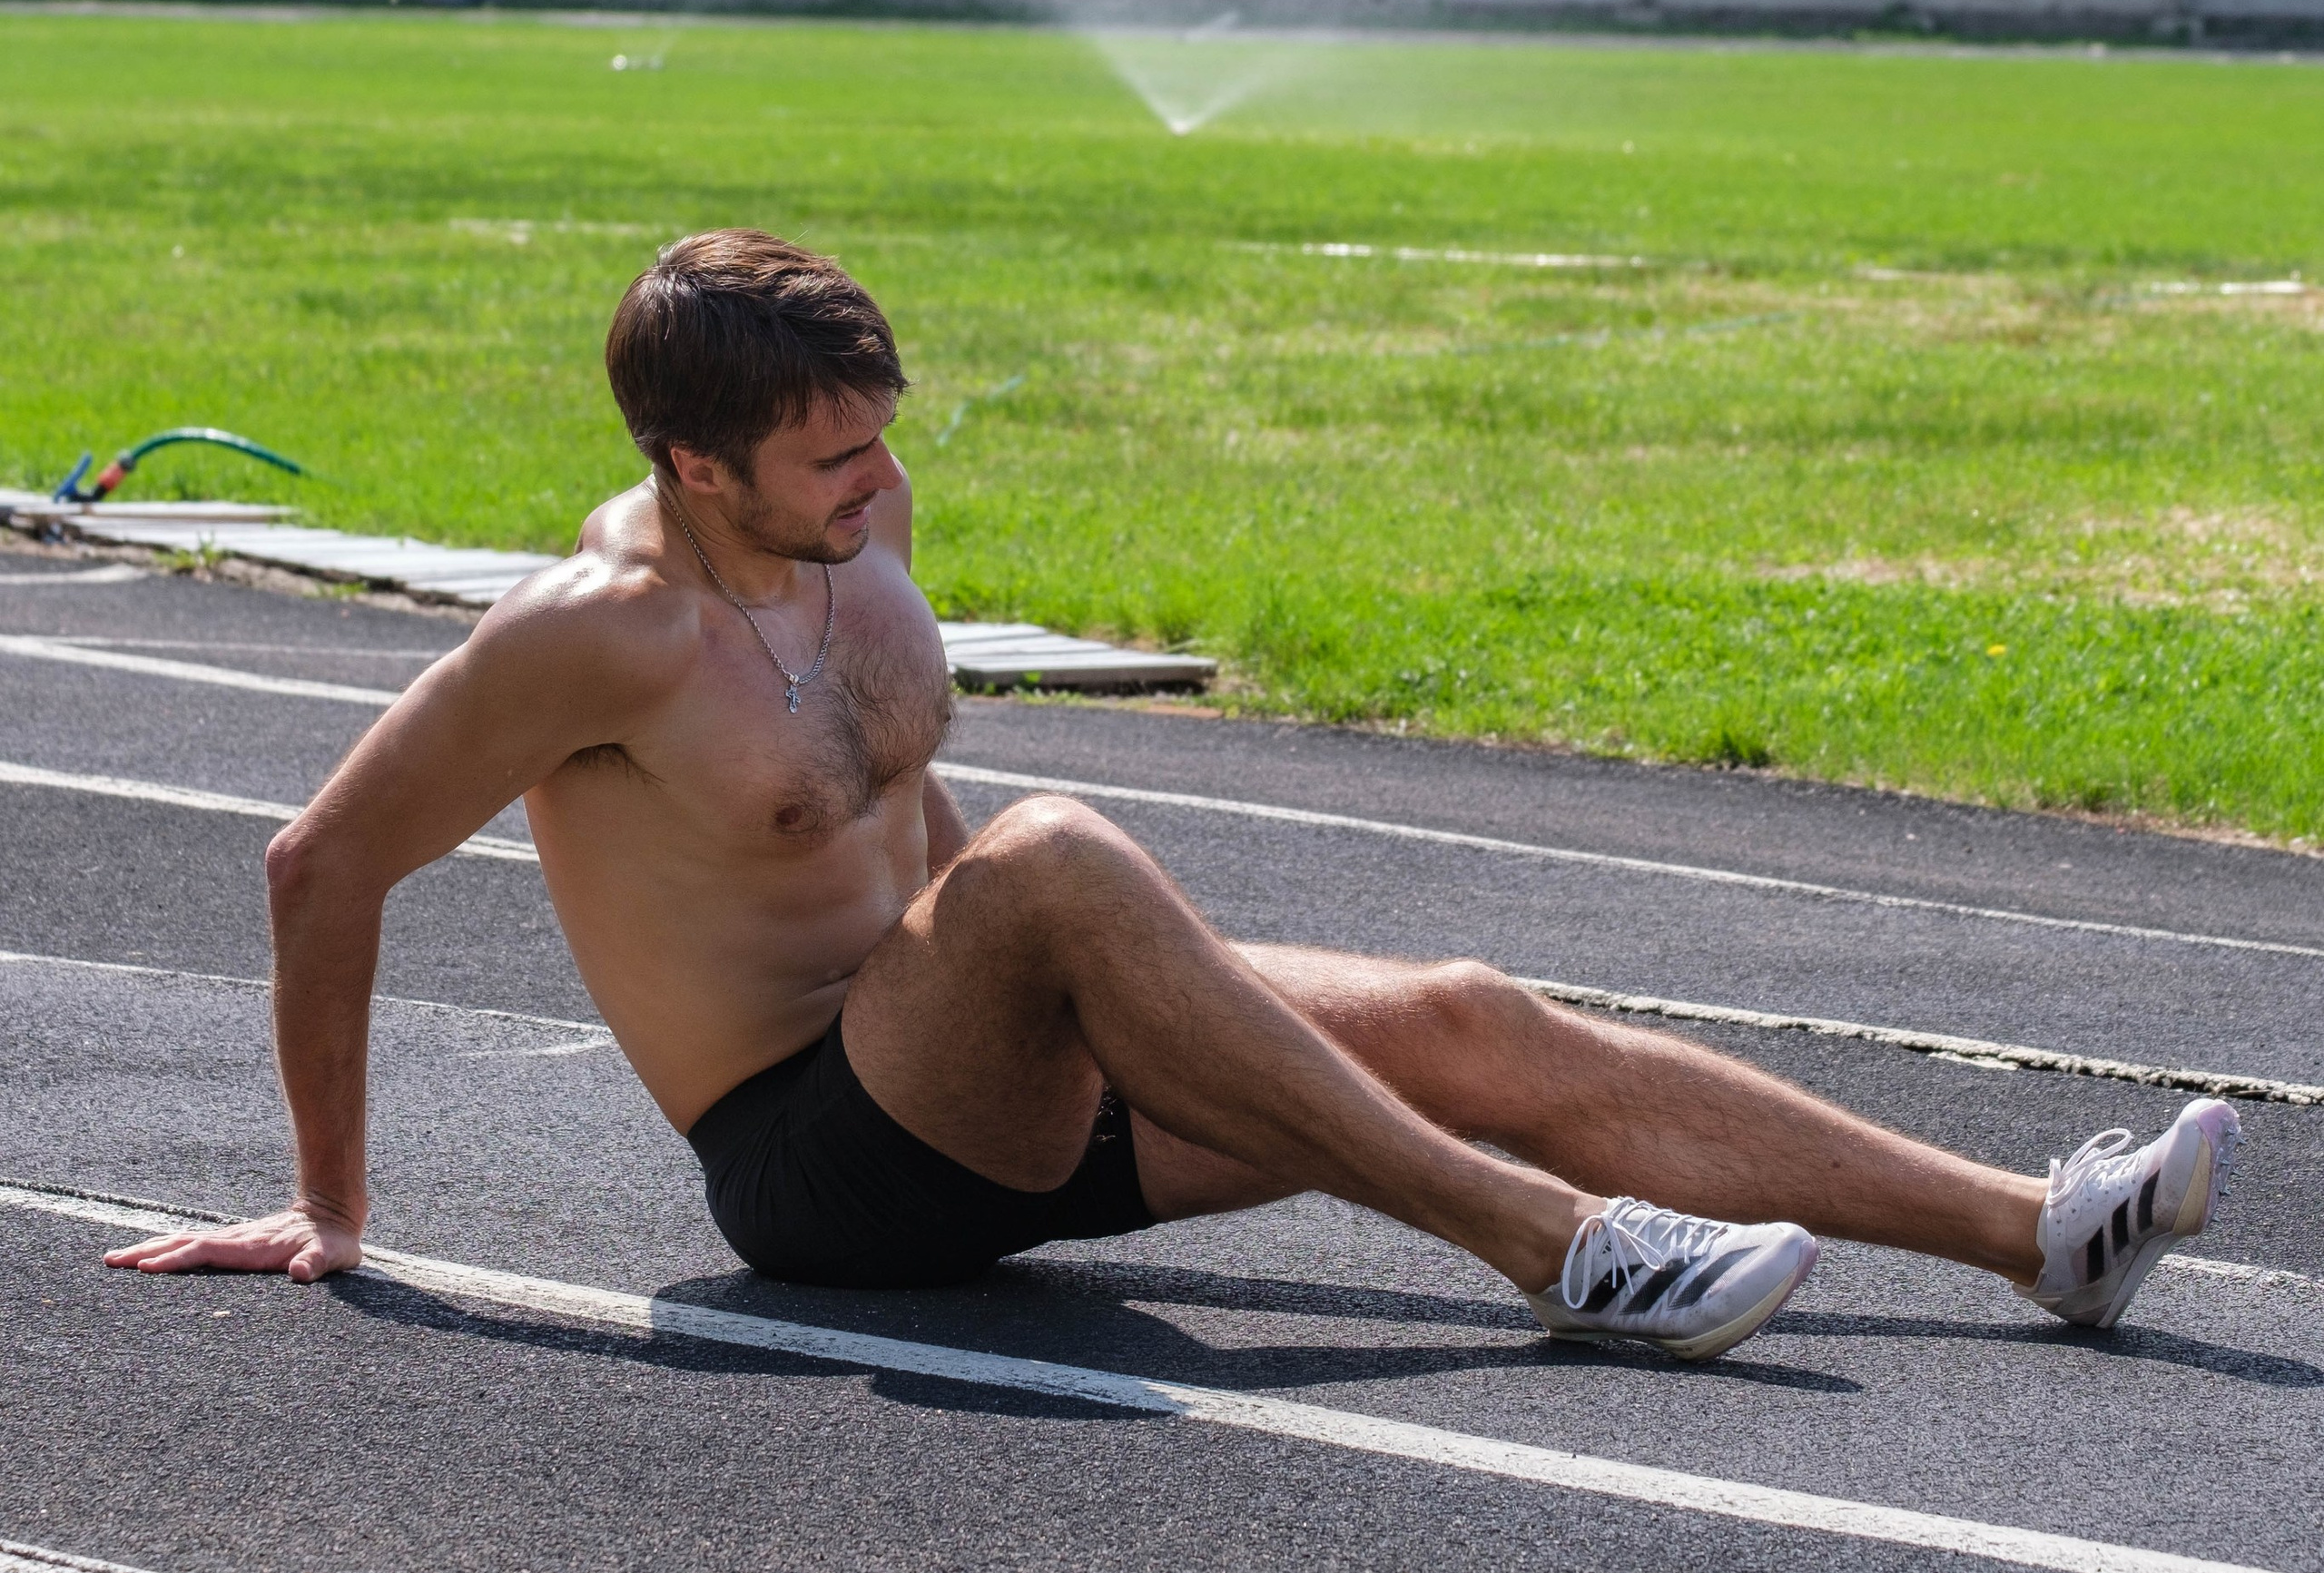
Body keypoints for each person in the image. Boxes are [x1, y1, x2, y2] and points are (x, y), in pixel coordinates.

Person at [108, 231, 2239, 1363]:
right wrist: (335, 1205)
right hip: (826, 1171)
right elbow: (324, 861)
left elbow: (914, 836)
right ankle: (1560, 1250)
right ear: (692, 466)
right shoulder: (589, 644)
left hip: (1001, 1081)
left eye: (877, 442)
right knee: (1049, 853)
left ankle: (2035, 1238)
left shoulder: (857, 529)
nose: (873, 485)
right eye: (825, 461)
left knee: (1470, 1014)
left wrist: (1099, 1004)